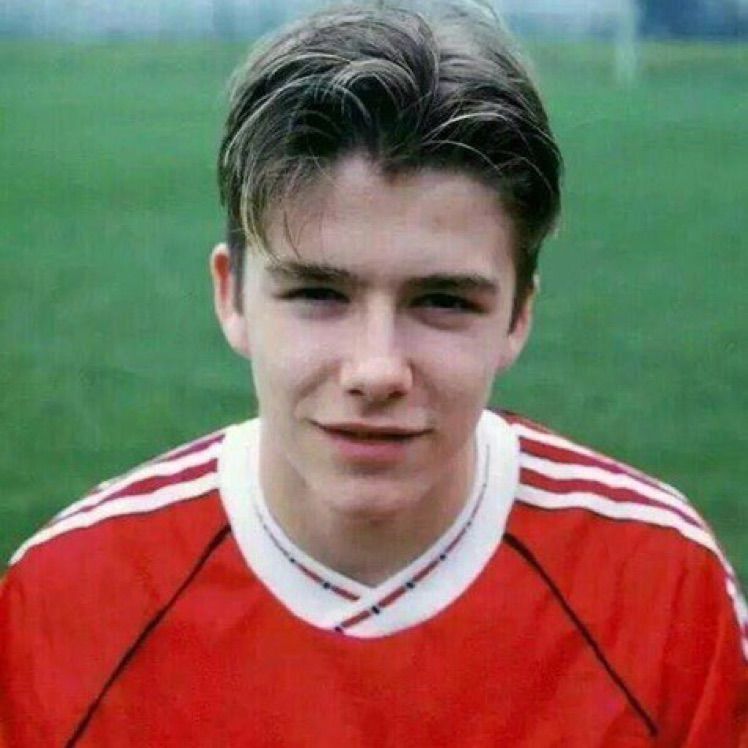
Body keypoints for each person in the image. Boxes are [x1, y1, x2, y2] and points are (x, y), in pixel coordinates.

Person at [1, 2, 746, 745]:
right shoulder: (67, 600)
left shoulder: (663, 587)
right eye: (318, 294)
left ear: (519, 315)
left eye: (443, 301)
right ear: (231, 296)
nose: (377, 370)